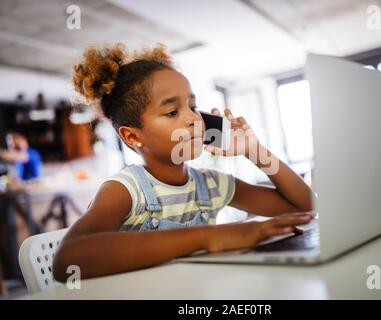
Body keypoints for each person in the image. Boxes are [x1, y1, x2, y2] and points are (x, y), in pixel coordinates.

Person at [53, 43, 315, 281]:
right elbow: (68, 261)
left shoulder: (210, 185)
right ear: (132, 136)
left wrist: (255, 150)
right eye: (172, 112)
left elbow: (305, 205)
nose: (193, 119)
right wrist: (209, 236)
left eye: (192, 106)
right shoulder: (126, 190)